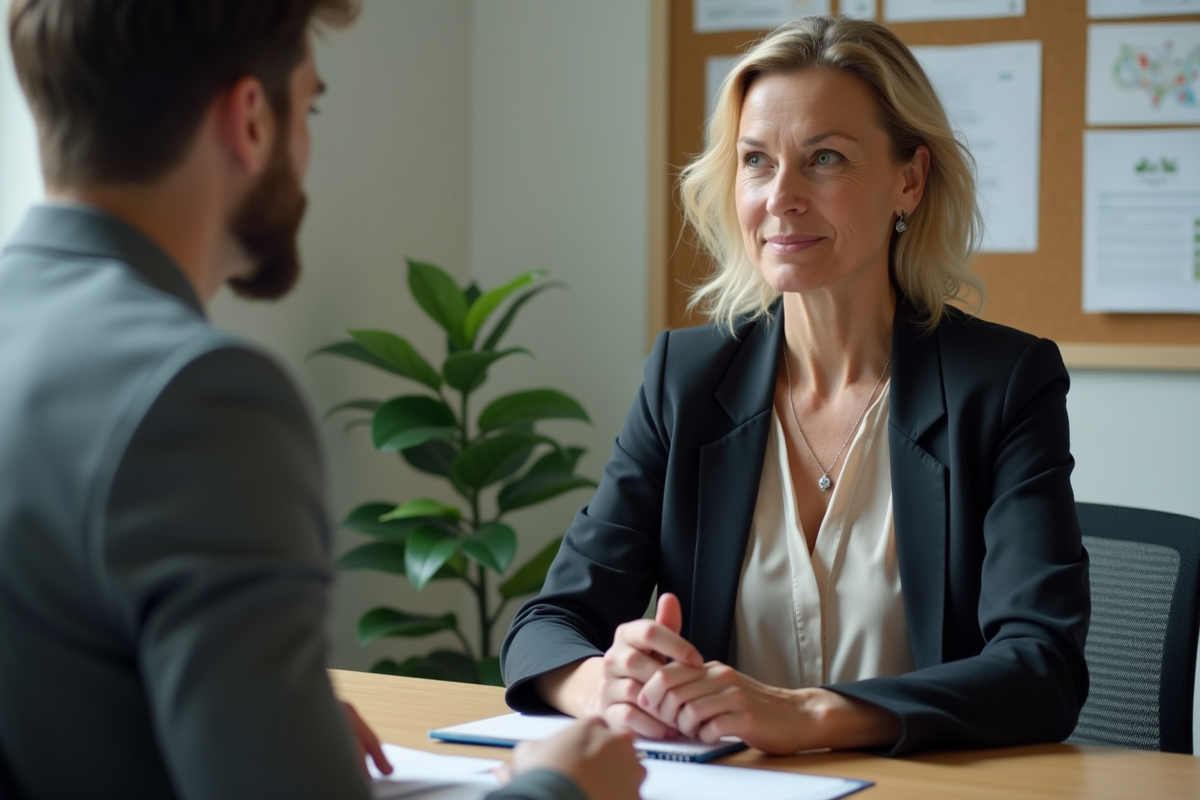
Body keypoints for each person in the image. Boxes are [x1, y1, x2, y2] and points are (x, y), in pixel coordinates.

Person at [0, 1, 643, 799]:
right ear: (250, 120)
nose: (307, 147)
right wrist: (560, 788)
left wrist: (258, 723)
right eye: (308, 109)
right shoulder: (199, 396)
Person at [501, 15, 1090, 757]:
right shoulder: (686, 380)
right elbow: (547, 625)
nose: (780, 196)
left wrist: (809, 714)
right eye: (756, 160)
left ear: (909, 180)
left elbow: (1042, 669)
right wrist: (601, 685)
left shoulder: (1002, 384)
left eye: (825, 158)